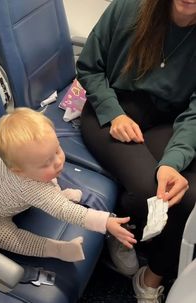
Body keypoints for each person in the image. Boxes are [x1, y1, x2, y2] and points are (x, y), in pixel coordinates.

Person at [76, 0, 196, 301]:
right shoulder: (131, 7)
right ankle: (124, 223)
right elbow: (90, 67)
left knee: (188, 194)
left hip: (167, 118)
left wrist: (173, 160)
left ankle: (150, 278)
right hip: (111, 109)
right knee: (148, 190)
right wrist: (113, 113)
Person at [0, 107, 136, 262]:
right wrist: (105, 222)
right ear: (18, 171)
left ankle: (55, 193)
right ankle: (54, 249)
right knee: (6, 238)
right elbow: (66, 212)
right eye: (46, 162)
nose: (58, 162)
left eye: (57, 150)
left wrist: (50, 179)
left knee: (49, 178)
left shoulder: (22, 161)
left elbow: (46, 180)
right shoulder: (30, 186)